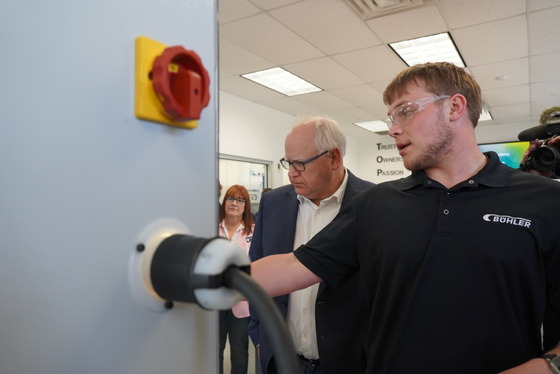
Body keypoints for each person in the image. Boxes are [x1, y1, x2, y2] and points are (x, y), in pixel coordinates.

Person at [250, 62, 560, 374]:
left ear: (454, 107)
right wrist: (214, 272)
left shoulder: (545, 200)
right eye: (391, 116)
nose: (393, 128)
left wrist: (547, 367)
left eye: (406, 110)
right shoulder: (376, 203)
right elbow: (293, 267)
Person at [248, 115, 374, 374]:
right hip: (280, 361)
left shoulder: (374, 204)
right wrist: (260, 337)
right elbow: (255, 271)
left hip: (347, 364)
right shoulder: (273, 204)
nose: (291, 173)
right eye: (288, 162)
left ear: (335, 158)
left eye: (300, 164)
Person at [218, 185, 255, 374]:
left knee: (240, 351)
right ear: (224, 202)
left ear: (246, 206)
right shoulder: (211, 227)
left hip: (241, 302)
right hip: (214, 299)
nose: (234, 203)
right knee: (214, 351)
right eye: (231, 198)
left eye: (240, 200)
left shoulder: (253, 233)